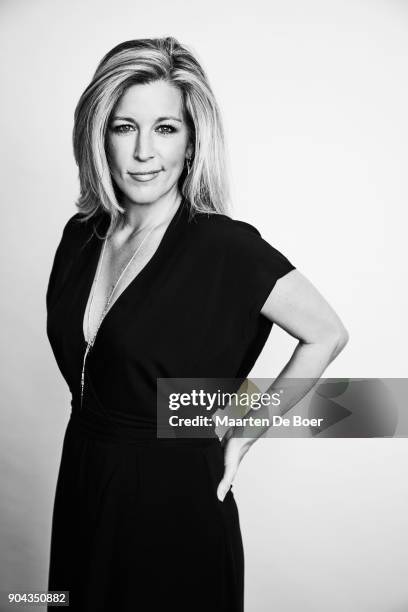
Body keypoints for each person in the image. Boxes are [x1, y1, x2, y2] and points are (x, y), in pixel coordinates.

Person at [46, 36, 349, 611]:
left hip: (174, 500)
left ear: (192, 141)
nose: (142, 152)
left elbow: (326, 334)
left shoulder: (223, 246)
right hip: (83, 483)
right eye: (122, 127)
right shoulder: (80, 237)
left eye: (165, 128)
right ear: (98, 135)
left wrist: (243, 431)